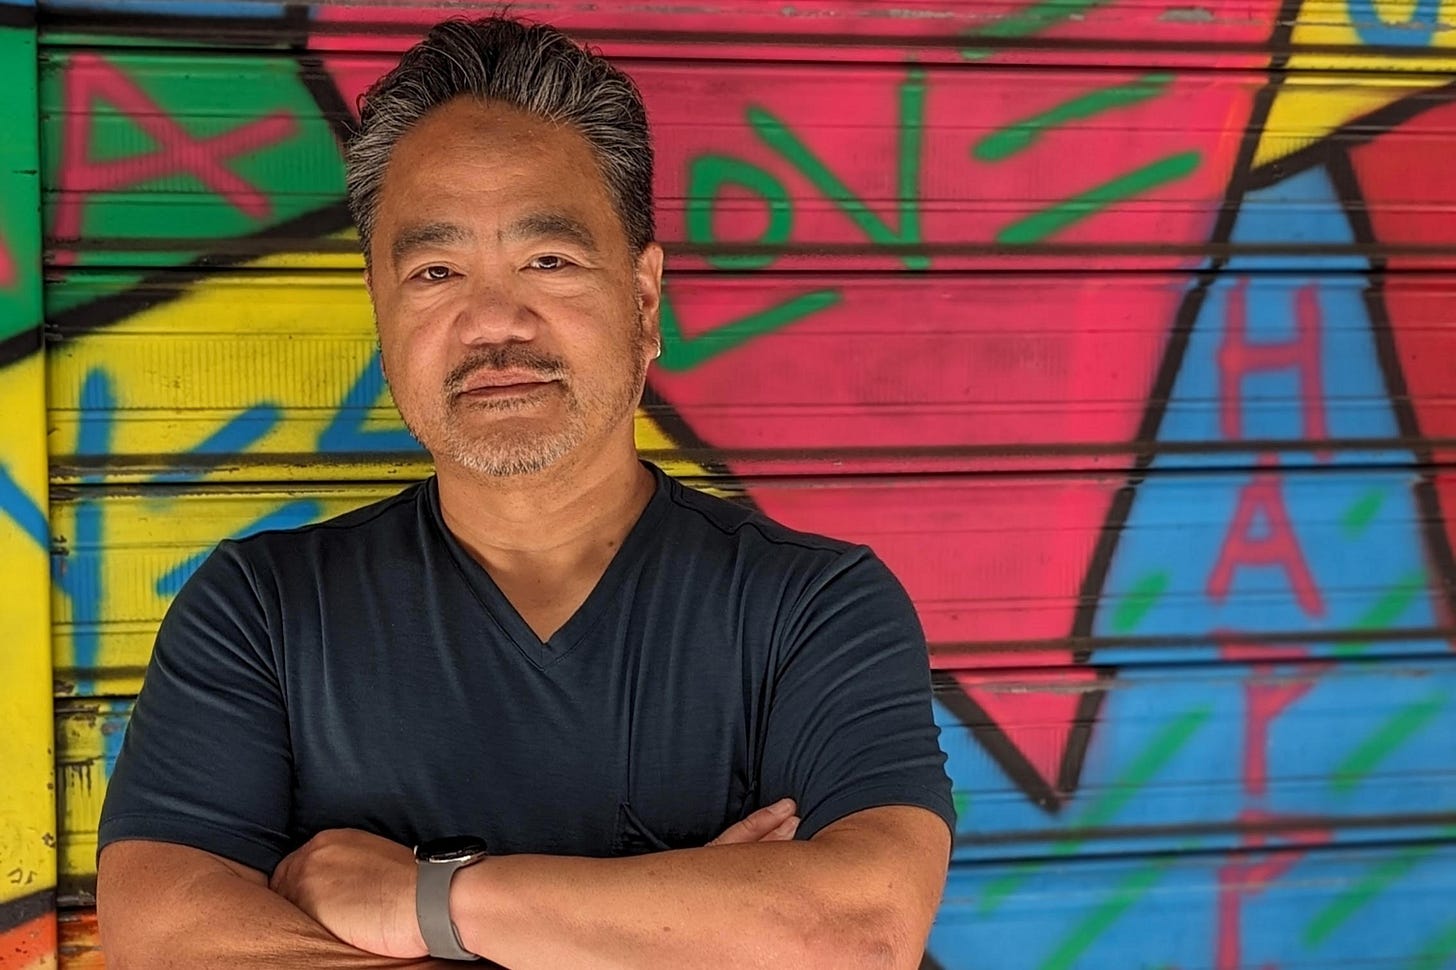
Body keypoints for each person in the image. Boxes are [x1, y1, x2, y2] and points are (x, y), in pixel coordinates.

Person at [95, 14, 955, 969]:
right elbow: (165, 941)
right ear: (382, 312)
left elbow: (857, 930)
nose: (494, 321)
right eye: (435, 270)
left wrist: (426, 900)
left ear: (643, 300)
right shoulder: (261, 612)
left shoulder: (813, 608)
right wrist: (673, 933)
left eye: (549, 260)